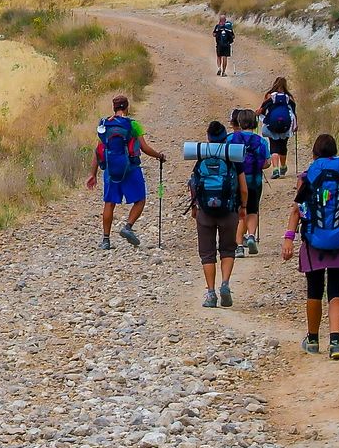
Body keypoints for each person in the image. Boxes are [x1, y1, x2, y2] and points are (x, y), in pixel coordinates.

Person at [282, 132, 339, 359]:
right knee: (336, 291)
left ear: (314, 154)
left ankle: (313, 339)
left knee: (314, 290)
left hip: (313, 242)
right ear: (335, 152)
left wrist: (289, 237)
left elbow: (298, 209)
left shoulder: (308, 177)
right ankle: (335, 343)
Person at [84, 93, 168, 250]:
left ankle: (106, 240)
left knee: (109, 203)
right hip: (131, 169)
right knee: (140, 200)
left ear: (114, 108)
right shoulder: (133, 125)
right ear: (127, 107)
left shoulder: (104, 125)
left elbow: (98, 150)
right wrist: (160, 156)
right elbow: (144, 147)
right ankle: (127, 227)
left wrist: (93, 174)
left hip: (111, 171)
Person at [188, 119, 245, 308]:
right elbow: (243, 189)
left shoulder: (201, 157)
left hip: (205, 211)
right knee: (228, 250)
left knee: (207, 254)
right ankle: (225, 284)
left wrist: (195, 207)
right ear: (224, 137)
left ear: (208, 138)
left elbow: (194, 184)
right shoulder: (232, 157)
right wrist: (243, 207)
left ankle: (211, 293)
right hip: (229, 211)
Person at [226, 108, 270, 255]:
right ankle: (251, 235)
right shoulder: (262, 141)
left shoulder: (230, 139)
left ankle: (238, 246)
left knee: (239, 211)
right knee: (252, 209)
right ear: (255, 123)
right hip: (255, 180)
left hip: (236, 181)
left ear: (239, 122)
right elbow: (267, 163)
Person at [259, 77, 299, 179]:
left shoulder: (269, 96)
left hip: (272, 125)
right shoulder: (289, 97)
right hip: (286, 125)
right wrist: (295, 125)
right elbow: (293, 111)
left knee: (274, 146)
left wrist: (262, 118)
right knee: (283, 146)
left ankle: (275, 169)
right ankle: (283, 166)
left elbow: (263, 108)